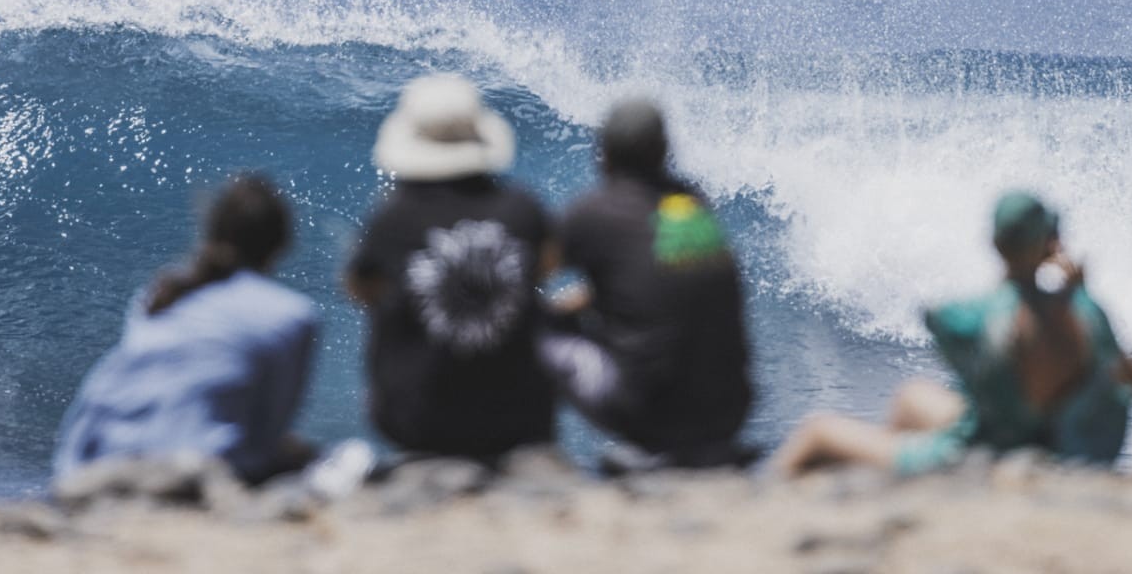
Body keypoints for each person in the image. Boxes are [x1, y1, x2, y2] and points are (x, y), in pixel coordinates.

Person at [772, 191, 1132, 478]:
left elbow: (940, 324)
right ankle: (897, 497)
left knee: (818, 432)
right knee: (911, 398)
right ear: (1053, 242)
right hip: (1074, 449)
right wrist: (1077, 289)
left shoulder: (978, 318)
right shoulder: (1086, 311)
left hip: (991, 454)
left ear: (995, 245)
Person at [53, 175, 318, 487]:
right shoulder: (292, 313)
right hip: (190, 465)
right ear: (283, 242)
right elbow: (266, 431)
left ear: (213, 233)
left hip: (88, 457)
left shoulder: (159, 296)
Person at [344, 73, 556, 460]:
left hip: (419, 422)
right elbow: (546, 268)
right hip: (521, 417)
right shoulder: (522, 209)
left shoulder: (393, 218)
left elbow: (359, 289)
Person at [541, 98, 754, 470]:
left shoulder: (595, 213)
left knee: (527, 332)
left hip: (649, 415)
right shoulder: (691, 204)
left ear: (603, 155)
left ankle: (521, 449)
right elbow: (658, 285)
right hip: (730, 412)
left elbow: (523, 279)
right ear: (663, 152)